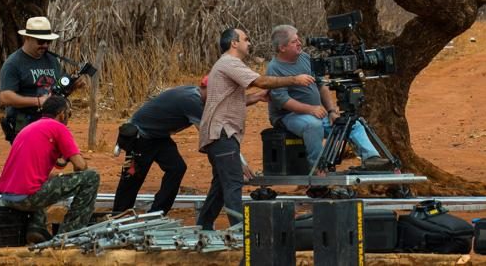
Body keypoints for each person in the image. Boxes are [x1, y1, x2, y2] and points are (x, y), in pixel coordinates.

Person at [195, 27, 316, 230]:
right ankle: (240, 232)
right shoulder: (230, 63)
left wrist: (258, 98)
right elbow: (261, 81)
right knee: (233, 183)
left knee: (220, 185)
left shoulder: (225, 65)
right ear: (234, 43)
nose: (249, 43)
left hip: (220, 133)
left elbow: (231, 100)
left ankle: (203, 226)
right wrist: (295, 79)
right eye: (246, 39)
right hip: (222, 132)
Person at [111, 77, 257, 214]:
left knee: (177, 168)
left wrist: (257, 96)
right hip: (141, 136)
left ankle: (157, 212)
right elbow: (213, 135)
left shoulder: (198, 96)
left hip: (159, 136)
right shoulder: (192, 102)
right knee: (133, 176)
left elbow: (225, 108)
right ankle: (119, 215)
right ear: (206, 88)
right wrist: (238, 161)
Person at [266, 24, 392, 172]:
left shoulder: (305, 58)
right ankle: (318, 169)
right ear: (282, 48)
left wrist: (331, 110)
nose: (300, 43)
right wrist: (311, 109)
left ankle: (371, 158)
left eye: (298, 39)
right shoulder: (274, 68)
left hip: (316, 112)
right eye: (294, 41)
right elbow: (282, 101)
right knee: (312, 125)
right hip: (288, 116)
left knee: (351, 123)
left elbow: (321, 85)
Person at [0, 95, 100, 244]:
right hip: (27, 198)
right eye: (68, 114)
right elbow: (81, 166)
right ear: (62, 113)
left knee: (46, 178)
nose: (68, 118)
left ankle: (37, 227)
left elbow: (58, 163)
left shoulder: (29, 128)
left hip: (7, 197)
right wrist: (76, 161)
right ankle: (70, 234)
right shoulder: (59, 128)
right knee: (92, 177)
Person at [0, 16, 82, 141]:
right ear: (27, 38)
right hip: (25, 125)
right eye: (40, 41)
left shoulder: (52, 60)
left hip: (51, 123)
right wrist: (38, 101)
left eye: (48, 42)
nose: (45, 45)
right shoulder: (13, 63)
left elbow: (56, 91)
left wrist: (72, 87)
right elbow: (5, 97)